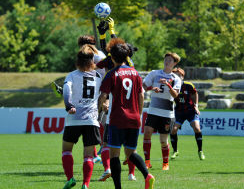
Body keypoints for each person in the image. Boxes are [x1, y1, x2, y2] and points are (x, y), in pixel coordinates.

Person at [98, 43, 155, 189]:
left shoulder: (112, 73)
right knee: (130, 153)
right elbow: (141, 94)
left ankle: (118, 188)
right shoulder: (135, 73)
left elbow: (103, 95)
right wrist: (139, 113)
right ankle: (147, 175)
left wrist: (98, 111)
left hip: (117, 119)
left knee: (114, 155)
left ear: (112, 57)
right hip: (134, 118)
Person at [61, 45, 102, 189]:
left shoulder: (72, 75)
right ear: (92, 60)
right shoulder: (98, 76)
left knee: (67, 150)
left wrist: (68, 105)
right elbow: (104, 95)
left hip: (74, 119)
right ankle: (85, 184)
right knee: (89, 155)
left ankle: (70, 178)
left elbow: (66, 89)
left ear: (78, 60)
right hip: (91, 119)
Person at [142, 52, 181, 171]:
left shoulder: (176, 78)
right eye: (166, 59)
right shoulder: (154, 73)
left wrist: (168, 85)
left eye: (170, 60)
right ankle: (147, 162)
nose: (167, 61)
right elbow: (142, 86)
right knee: (147, 133)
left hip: (167, 113)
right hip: (153, 110)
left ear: (174, 64)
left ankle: (165, 163)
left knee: (163, 141)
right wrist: (151, 88)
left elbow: (176, 96)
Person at [169, 68, 205, 160]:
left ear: (182, 76)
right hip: (179, 112)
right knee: (173, 130)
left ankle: (200, 151)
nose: (176, 77)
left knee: (197, 128)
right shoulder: (171, 86)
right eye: (174, 75)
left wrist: (196, 106)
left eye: (178, 75)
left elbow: (195, 93)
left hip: (190, 111)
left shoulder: (188, 85)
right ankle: (175, 151)